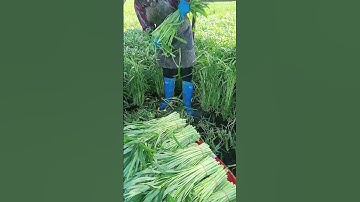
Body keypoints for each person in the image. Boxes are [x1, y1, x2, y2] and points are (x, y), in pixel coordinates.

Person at [134, 0, 198, 117]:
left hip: (182, 29)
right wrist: (152, 35)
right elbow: (145, 24)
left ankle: (187, 104)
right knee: (167, 67)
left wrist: (185, 1)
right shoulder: (139, 2)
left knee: (187, 68)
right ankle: (168, 100)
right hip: (163, 36)